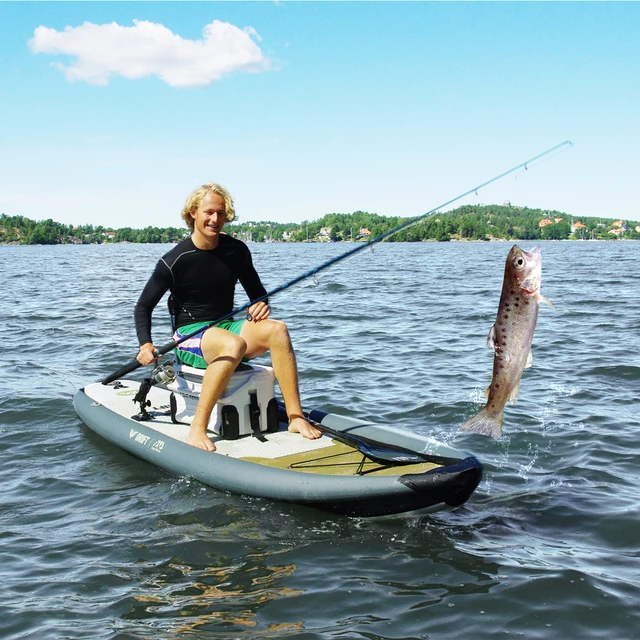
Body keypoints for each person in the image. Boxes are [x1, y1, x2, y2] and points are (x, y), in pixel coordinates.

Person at [134, 182, 321, 452]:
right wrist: (145, 344)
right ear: (193, 214)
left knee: (277, 329)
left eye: (221, 213)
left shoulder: (236, 250)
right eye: (209, 212)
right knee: (232, 344)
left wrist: (260, 306)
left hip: (226, 326)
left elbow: (258, 294)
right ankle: (197, 428)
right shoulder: (174, 260)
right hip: (189, 335)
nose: (215, 219)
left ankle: (295, 417)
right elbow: (143, 306)